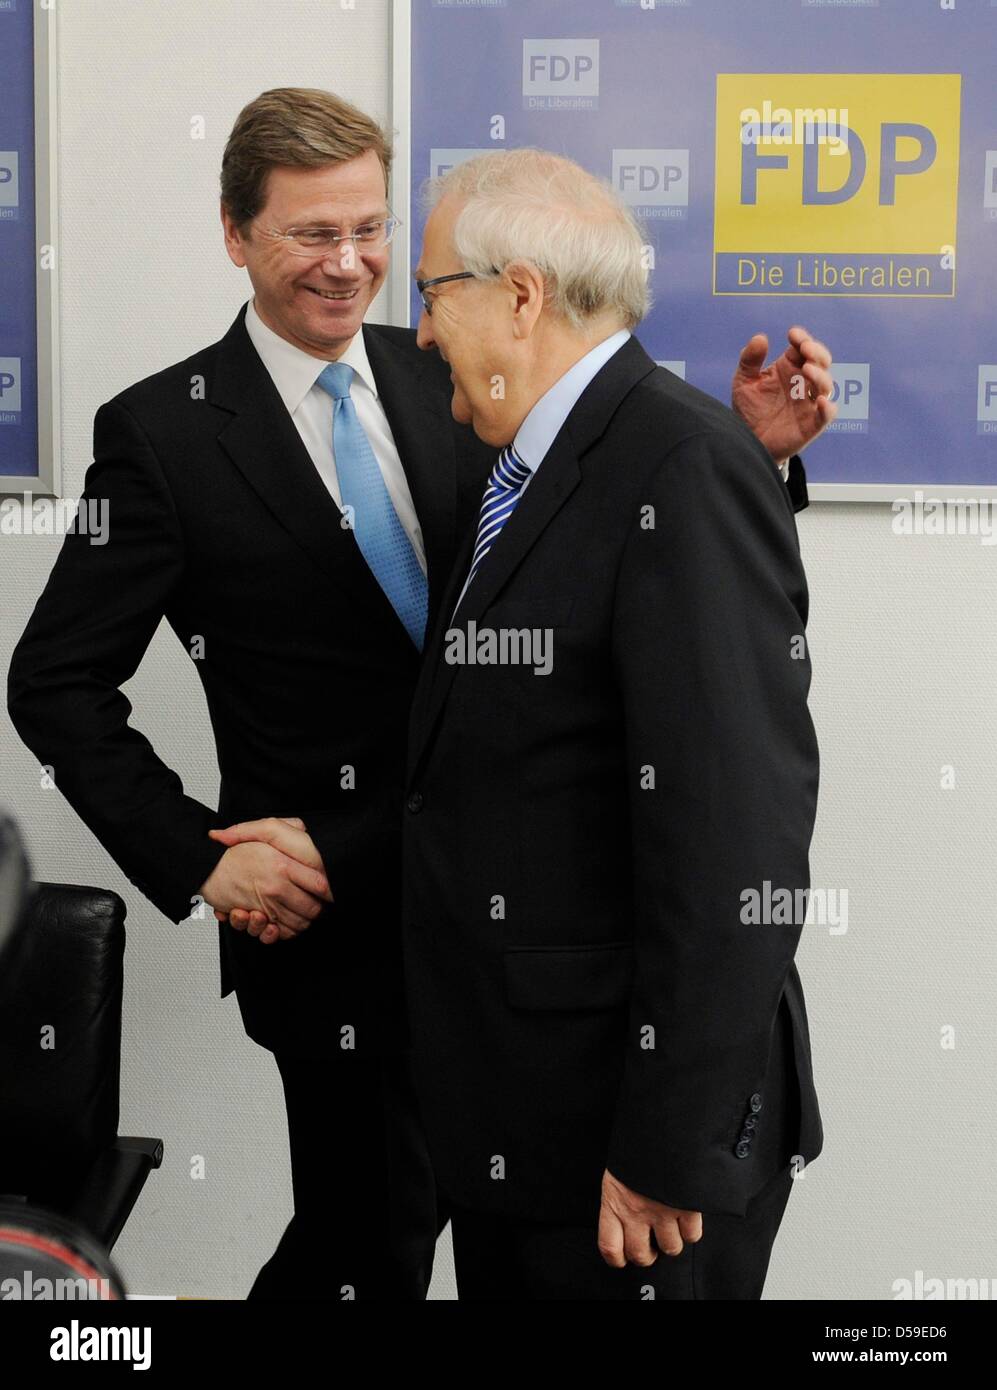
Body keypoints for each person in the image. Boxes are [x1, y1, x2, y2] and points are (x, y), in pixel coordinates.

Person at [6, 88, 831, 1300]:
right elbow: (54, 676)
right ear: (235, 234)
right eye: (309, 235)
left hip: (538, 964)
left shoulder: (461, 372)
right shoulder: (163, 433)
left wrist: (739, 465)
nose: (352, 267)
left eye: (372, 232)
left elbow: (612, 558)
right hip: (337, 945)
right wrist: (196, 856)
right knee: (364, 1253)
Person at [399, 147, 822, 1299]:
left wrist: (663, 1149)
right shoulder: (530, 466)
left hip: (624, 1162)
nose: (423, 330)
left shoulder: (675, 463)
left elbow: (735, 844)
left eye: (432, 294)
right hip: (528, 1122)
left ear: (519, 295)